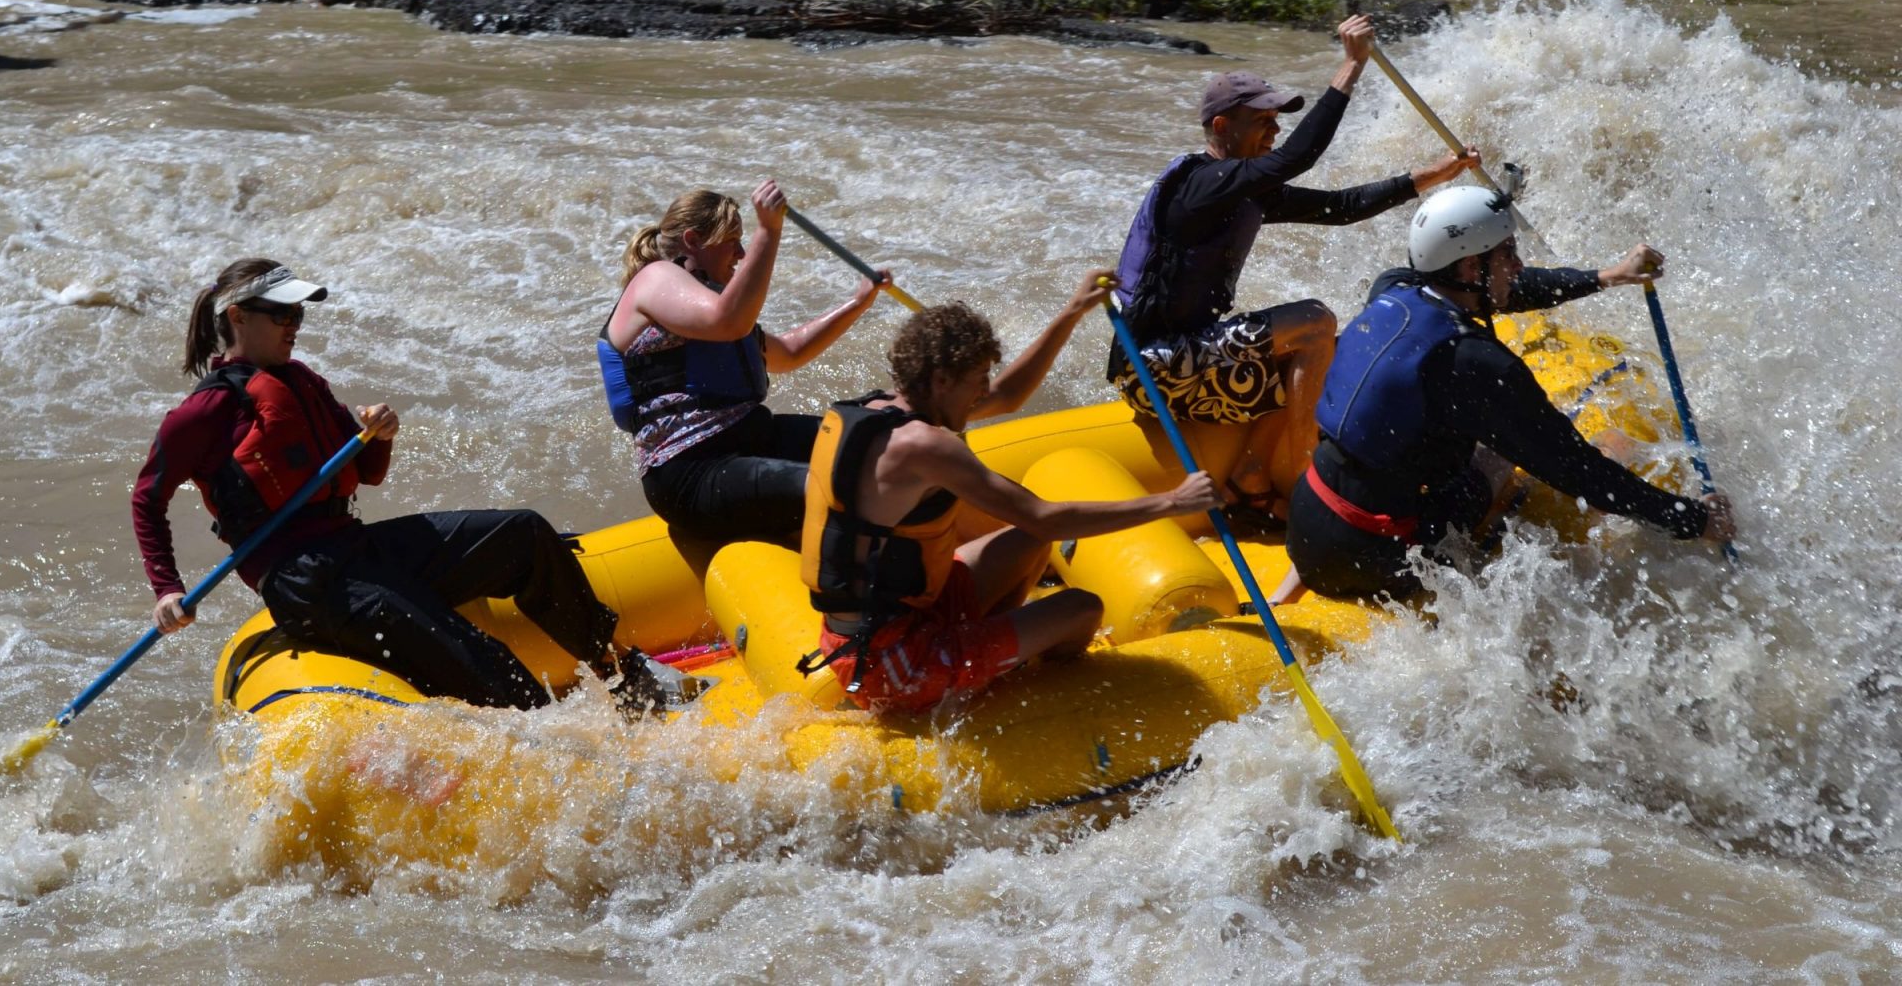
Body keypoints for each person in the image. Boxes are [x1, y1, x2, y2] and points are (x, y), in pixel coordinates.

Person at [133, 257, 656, 712]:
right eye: (282, 314)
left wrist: (378, 434)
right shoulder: (205, 412)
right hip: (306, 584)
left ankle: (625, 679)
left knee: (525, 534)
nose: (295, 324)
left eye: (299, 313)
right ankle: (560, 746)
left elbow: (367, 474)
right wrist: (167, 588)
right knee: (484, 661)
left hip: (355, 548)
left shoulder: (301, 382)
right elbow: (147, 499)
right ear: (237, 317)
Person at [1110, 14, 1477, 530]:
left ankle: (1254, 477)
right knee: (1314, 319)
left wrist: (1434, 175)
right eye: (1262, 120)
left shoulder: (1239, 192)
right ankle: (1307, 480)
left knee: (1317, 355)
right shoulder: (1205, 185)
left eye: (1277, 119)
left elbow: (1342, 207)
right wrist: (1351, 66)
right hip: (1155, 366)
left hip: (1182, 357)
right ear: (1222, 126)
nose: (1275, 128)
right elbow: (1298, 156)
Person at [1286, 186, 1738, 600]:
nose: (1518, 264)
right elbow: (1581, 473)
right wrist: (1693, 519)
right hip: (1378, 559)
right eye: (1508, 252)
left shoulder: (1393, 288)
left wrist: (1607, 276)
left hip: (1304, 525)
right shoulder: (1476, 364)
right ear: (1468, 266)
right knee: (1504, 453)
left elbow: (1505, 291)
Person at [797, 280, 1220, 715]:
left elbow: (1009, 397)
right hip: (894, 664)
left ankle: (990, 656)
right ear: (942, 380)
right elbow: (1047, 518)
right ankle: (1033, 707)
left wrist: (1072, 312)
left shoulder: (878, 410)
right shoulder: (926, 447)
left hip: (886, 629)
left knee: (1028, 542)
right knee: (1083, 608)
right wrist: (1172, 502)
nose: (984, 393)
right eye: (977, 381)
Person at [598, 179, 890, 559]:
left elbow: (788, 352)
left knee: (873, 440)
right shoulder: (657, 279)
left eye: (744, 239)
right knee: (835, 484)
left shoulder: (707, 306)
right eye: (731, 239)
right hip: (692, 472)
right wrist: (769, 230)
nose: (739, 252)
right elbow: (729, 321)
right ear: (692, 240)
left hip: (752, 441)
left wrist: (857, 303)